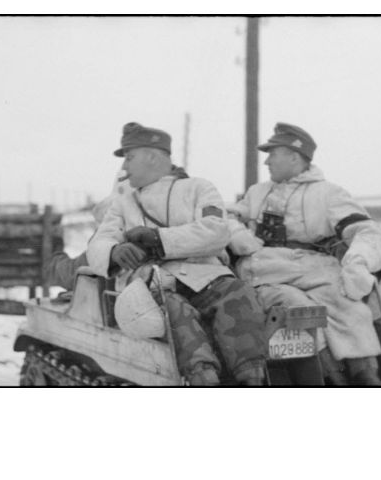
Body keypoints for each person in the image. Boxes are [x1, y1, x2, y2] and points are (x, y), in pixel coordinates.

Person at [86, 122, 268, 386]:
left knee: (238, 293)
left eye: (129, 157)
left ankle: (252, 377)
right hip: (155, 282)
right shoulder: (124, 203)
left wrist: (159, 239)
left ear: (152, 156)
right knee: (171, 307)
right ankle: (202, 378)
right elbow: (99, 241)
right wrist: (114, 251)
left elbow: (216, 230)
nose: (124, 168)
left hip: (206, 278)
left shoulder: (199, 189)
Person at [227, 122, 381, 386]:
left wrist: (358, 261)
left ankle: (365, 376)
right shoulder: (256, 193)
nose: (267, 162)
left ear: (294, 157)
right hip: (264, 268)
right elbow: (226, 218)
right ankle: (332, 379)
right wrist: (238, 234)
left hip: (313, 268)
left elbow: (366, 231)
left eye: (273, 154)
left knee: (349, 306)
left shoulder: (328, 193)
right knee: (300, 309)